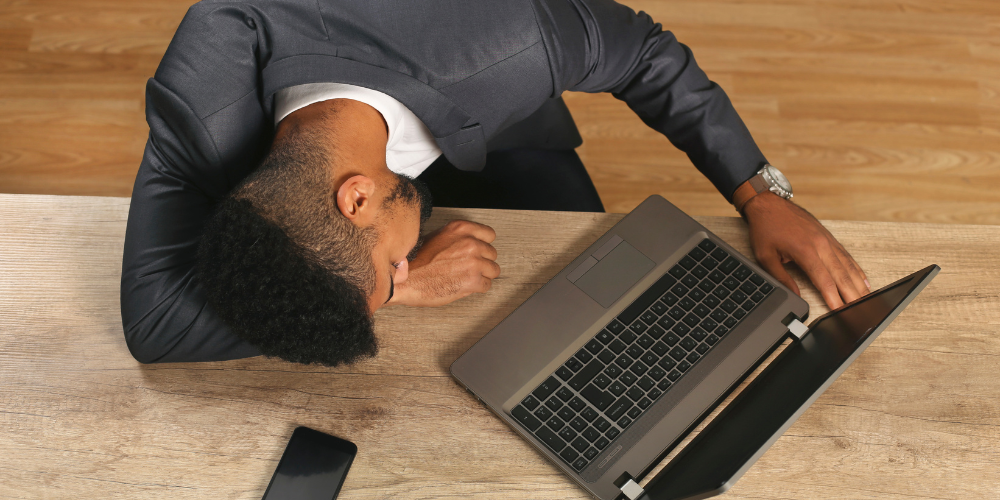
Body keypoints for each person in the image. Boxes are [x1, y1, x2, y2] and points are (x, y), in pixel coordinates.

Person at [121, 0, 869, 365]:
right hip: (387, 127)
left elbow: (646, 54)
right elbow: (153, 325)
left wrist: (759, 192)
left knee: (598, 302)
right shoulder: (201, 103)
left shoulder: (517, 44)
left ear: (356, 198)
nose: (408, 269)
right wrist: (393, 290)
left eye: (395, 267)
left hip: (487, 116)